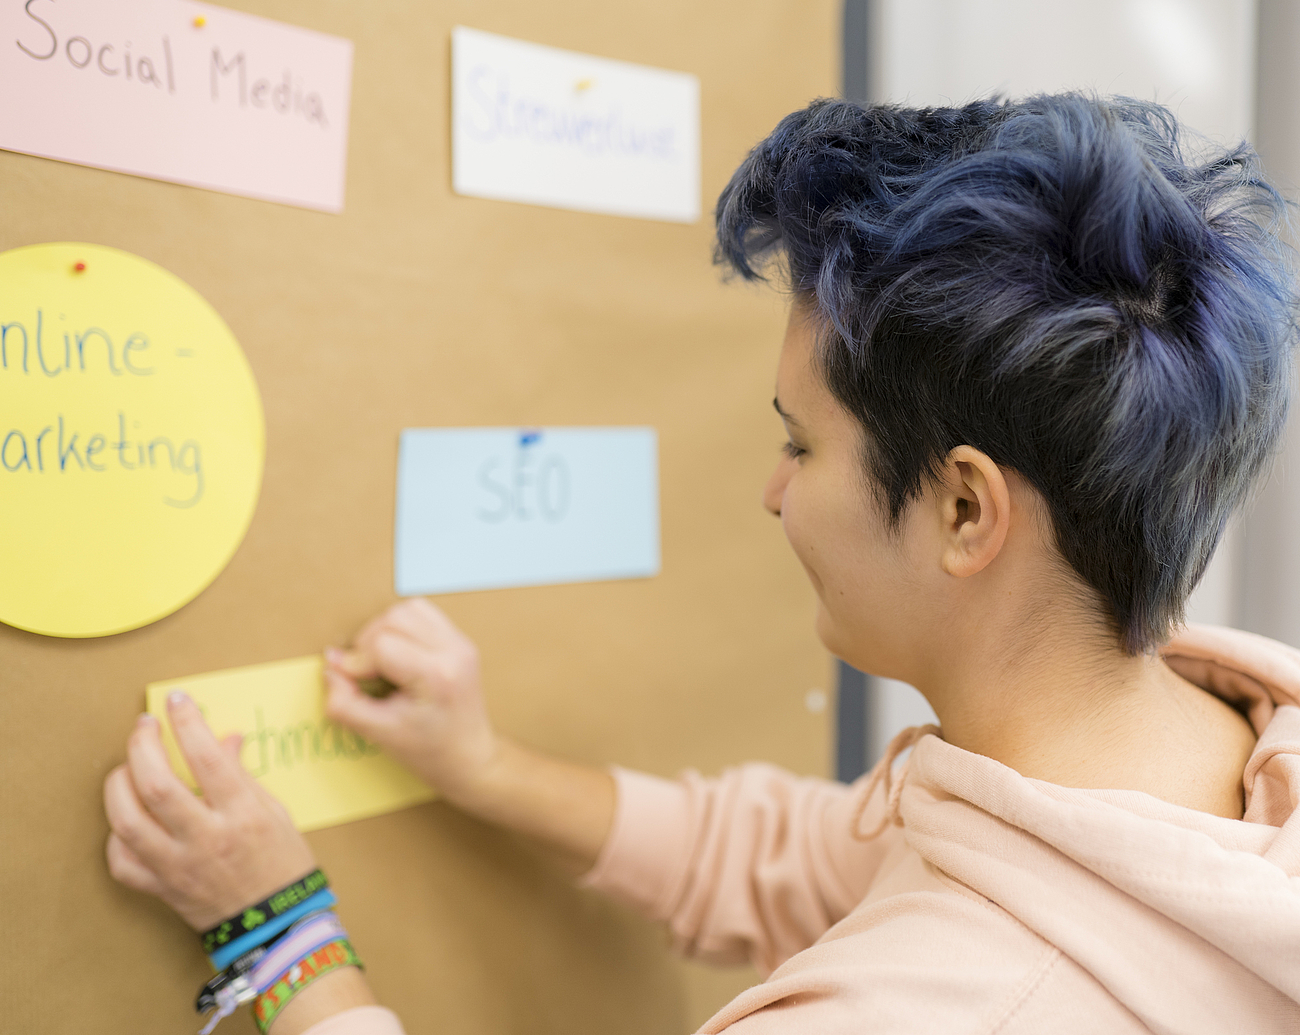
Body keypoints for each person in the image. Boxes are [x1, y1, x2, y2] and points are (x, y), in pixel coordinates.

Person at [103, 94, 1300, 1035]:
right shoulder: (1220, 746)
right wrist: (483, 763)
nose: (772, 490)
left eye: (799, 440)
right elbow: (796, 852)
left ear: (963, 509)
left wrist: (281, 931)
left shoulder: (939, 1003)